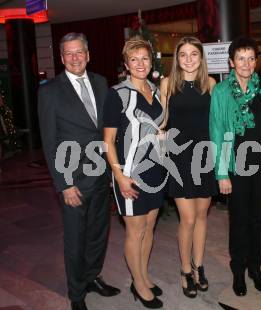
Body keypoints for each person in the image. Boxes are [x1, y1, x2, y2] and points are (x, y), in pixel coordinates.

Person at [38, 32, 120, 310]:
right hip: (73, 179)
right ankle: (76, 294)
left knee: (98, 233)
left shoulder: (101, 83)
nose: (75, 58)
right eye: (69, 54)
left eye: (79, 52)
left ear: (88, 54)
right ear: (61, 58)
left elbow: (105, 132)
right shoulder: (49, 91)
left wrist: (112, 172)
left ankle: (92, 277)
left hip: (101, 176)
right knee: (75, 239)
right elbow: (50, 143)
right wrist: (64, 184)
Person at [210, 36, 261, 297]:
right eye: (241, 58)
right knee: (239, 221)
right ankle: (238, 270)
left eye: (251, 58)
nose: (247, 63)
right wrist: (221, 172)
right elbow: (216, 131)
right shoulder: (221, 91)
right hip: (236, 168)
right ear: (231, 62)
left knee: (257, 221)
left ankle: (255, 267)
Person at [103, 37, 165, 309]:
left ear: (151, 61)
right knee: (135, 231)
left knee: (150, 227)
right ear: (126, 64)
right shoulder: (117, 94)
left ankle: (144, 275)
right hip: (130, 172)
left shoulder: (157, 90)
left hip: (156, 170)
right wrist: (119, 176)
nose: (140, 64)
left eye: (144, 58)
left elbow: (160, 126)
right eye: (134, 59)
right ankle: (138, 284)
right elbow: (107, 141)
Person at [160, 36, 217, 299]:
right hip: (180, 159)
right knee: (189, 218)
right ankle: (185, 270)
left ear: (201, 57)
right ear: (177, 59)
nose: (189, 59)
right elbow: (162, 123)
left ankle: (199, 265)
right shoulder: (168, 84)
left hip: (204, 157)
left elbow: (216, 123)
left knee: (202, 216)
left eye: (194, 54)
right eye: (183, 54)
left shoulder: (211, 84)